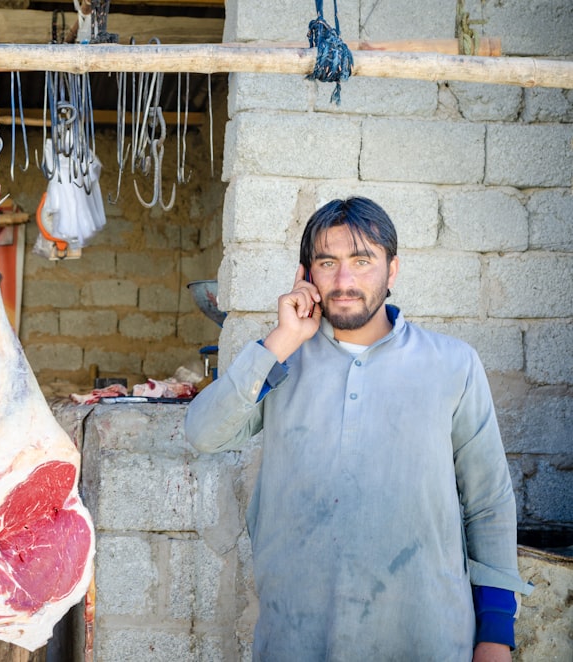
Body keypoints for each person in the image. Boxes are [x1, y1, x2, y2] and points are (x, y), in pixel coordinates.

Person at [184, 197, 531, 661]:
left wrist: (496, 635)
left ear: (392, 271)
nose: (345, 282)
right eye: (328, 263)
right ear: (307, 275)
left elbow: (488, 503)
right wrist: (283, 339)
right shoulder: (280, 361)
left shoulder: (452, 364)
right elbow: (204, 433)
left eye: (362, 261)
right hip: (298, 640)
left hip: (426, 637)